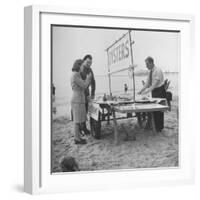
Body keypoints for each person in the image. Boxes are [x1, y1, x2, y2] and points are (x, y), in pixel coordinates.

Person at [138, 56, 166, 132]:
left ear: (151, 63)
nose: (146, 66)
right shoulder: (150, 72)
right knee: (154, 109)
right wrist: (141, 91)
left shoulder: (158, 70)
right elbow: (147, 83)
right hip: (154, 91)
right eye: (146, 64)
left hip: (160, 90)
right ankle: (156, 126)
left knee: (159, 109)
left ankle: (159, 127)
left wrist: (146, 92)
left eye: (147, 64)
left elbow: (154, 85)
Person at [71, 59, 92, 144]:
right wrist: (88, 78)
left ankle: (78, 137)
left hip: (78, 99)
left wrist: (87, 81)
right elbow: (84, 86)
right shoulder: (75, 75)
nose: (83, 67)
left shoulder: (76, 75)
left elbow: (83, 84)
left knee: (78, 120)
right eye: (82, 65)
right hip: (77, 100)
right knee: (77, 121)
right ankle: (77, 139)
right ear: (78, 65)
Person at [80, 54, 96, 135]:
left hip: (87, 93)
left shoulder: (90, 69)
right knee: (82, 112)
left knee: (86, 111)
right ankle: (83, 128)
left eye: (90, 63)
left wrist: (92, 93)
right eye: (88, 62)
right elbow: (82, 84)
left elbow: (93, 82)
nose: (89, 64)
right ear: (84, 61)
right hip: (80, 94)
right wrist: (86, 95)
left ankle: (84, 128)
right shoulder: (81, 69)